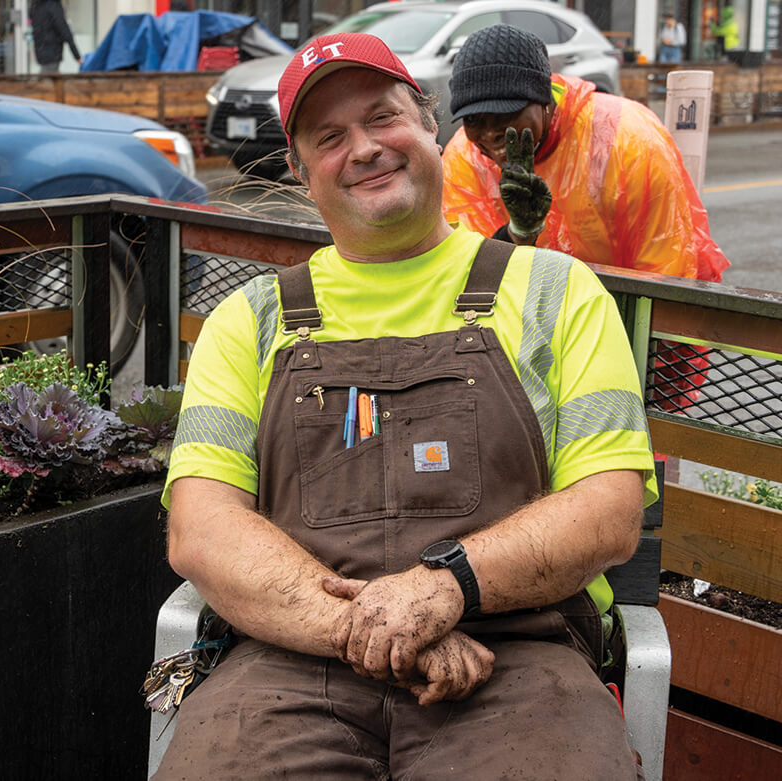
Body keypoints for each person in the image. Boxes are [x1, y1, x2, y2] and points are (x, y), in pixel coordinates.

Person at [155, 32, 656, 779]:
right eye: (330, 136)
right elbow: (202, 528)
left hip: (518, 662)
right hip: (288, 667)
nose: (363, 149)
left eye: (383, 118)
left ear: (431, 125)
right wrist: (367, 627)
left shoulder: (556, 291)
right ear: (299, 169)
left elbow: (609, 508)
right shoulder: (248, 320)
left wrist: (446, 585)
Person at [441, 23, 729, 283]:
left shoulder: (627, 139)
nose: (491, 133)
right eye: (474, 120)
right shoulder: (463, 158)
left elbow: (667, 266)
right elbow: (468, 273)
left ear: (543, 100)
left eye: (506, 113)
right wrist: (519, 231)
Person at [30, 0, 81, 74]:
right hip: (52, 52)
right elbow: (64, 30)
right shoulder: (53, 5)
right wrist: (77, 56)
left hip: (41, 52)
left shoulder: (36, 5)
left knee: (50, 78)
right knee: (46, 80)